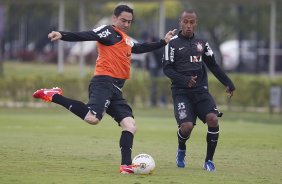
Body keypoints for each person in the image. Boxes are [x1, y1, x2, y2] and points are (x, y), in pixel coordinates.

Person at [33, 4, 176, 174]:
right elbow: (88, 35)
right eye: (123, 20)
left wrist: (163, 42)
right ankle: (54, 95)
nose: (126, 24)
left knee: (130, 125)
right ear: (114, 18)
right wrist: (62, 35)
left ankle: (126, 166)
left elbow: (140, 48)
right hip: (103, 81)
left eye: (129, 21)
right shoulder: (108, 31)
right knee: (93, 119)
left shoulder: (126, 39)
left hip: (116, 89)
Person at [162, 10, 235, 172]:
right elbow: (167, 69)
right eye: (185, 22)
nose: (188, 25)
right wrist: (184, 80)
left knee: (213, 119)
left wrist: (228, 83)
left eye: (192, 22)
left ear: (196, 23)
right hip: (181, 92)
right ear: (180, 22)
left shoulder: (202, 43)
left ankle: (208, 161)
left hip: (201, 92)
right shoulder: (171, 43)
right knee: (187, 127)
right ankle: (181, 148)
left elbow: (213, 65)